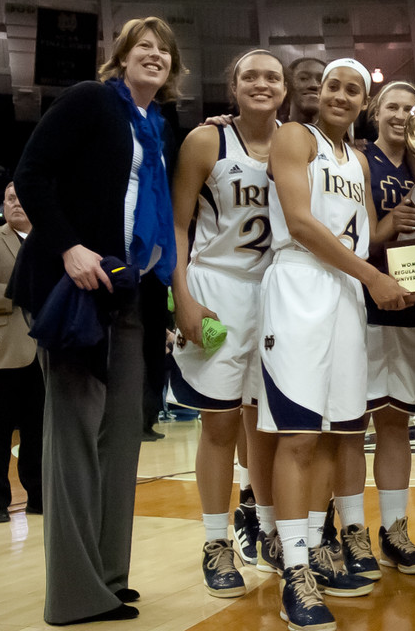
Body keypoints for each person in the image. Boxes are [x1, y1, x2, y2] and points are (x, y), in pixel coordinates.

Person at [9, 16, 181, 624]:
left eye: (164, 50)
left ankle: (109, 577)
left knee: (122, 439)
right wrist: (67, 246)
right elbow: (30, 175)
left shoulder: (161, 126)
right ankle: (73, 596)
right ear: (121, 57)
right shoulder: (88, 100)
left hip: (134, 292)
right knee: (73, 437)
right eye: (143, 47)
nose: (154, 56)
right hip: (76, 284)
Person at [259, 58, 407, 631]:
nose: (343, 95)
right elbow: (299, 221)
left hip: (344, 291)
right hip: (298, 283)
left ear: (363, 102)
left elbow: (367, 237)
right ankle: (294, 571)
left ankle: (315, 552)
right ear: (317, 93)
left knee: (334, 434)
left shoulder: (359, 160)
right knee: (298, 436)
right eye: (334, 86)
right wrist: (374, 278)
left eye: (354, 89)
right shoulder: (296, 137)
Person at [167, 49, 289, 597]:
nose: (262, 84)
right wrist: (183, 296)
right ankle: (216, 542)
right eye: (251, 76)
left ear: (285, 89)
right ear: (232, 87)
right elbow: (177, 224)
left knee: (267, 425)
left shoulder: (298, 143)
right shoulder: (206, 141)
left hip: (280, 294)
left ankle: (267, 531)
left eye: (272, 77)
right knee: (219, 426)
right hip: (219, 287)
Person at [323, 80, 415, 577]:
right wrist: (395, 220)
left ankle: (395, 529)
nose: (401, 115)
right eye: (392, 106)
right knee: (350, 424)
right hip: (363, 302)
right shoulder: (359, 159)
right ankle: (352, 532)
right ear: (374, 111)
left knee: (396, 422)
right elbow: (361, 239)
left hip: (408, 306)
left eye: (410, 108)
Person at [0, 182, 44, 523]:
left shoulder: (53, 241)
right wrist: (23, 291)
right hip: (4, 351)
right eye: (10, 198)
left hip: (47, 354)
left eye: (22, 198)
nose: (16, 204)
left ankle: (40, 498)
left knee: (39, 433)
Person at [286, 57, 326, 124]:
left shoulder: (341, 133)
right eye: (304, 78)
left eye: (320, 80)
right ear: (287, 86)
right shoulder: (273, 130)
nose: (314, 85)